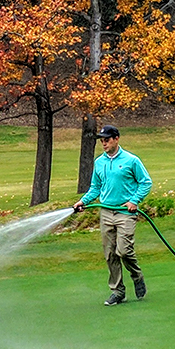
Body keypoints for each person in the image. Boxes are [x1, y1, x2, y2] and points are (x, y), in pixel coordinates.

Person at [72, 124, 151, 306]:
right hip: (106, 212)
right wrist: (83, 201)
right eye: (102, 140)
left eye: (107, 140)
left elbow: (145, 182)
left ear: (116, 139)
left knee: (124, 251)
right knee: (110, 254)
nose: (104, 143)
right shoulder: (99, 162)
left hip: (125, 213)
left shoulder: (131, 160)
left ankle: (137, 276)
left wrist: (134, 201)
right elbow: (95, 187)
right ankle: (118, 291)